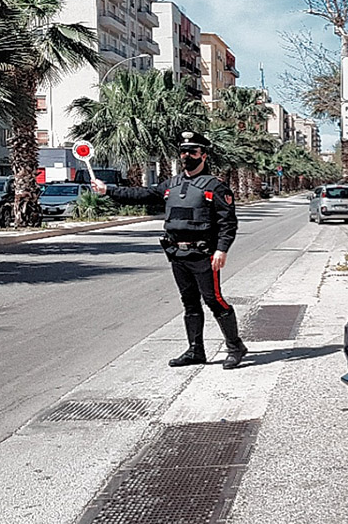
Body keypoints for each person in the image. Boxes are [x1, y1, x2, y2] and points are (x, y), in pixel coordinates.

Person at [92, 132, 248, 370]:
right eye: (184, 152)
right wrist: (108, 190)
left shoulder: (216, 187)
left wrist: (222, 250)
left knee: (214, 301)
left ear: (204, 156)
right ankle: (196, 351)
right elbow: (141, 194)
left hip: (204, 255)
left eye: (193, 152)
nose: (187, 156)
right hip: (178, 254)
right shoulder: (171, 185)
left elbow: (228, 223)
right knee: (190, 303)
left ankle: (236, 347)